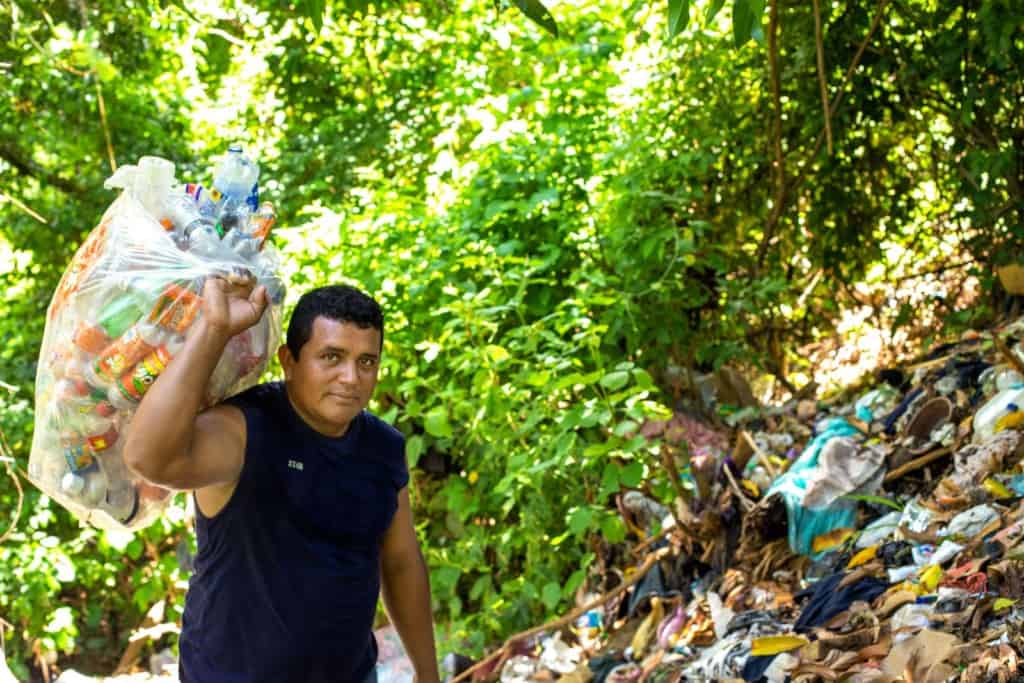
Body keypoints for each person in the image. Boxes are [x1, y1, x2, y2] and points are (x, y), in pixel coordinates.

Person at [124, 272, 440, 683]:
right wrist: (215, 328)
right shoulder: (245, 429)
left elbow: (400, 563)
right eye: (331, 357)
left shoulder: (383, 448)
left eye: (366, 362)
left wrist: (428, 675)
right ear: (289, 361)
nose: (351, 377)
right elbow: (148, 459)